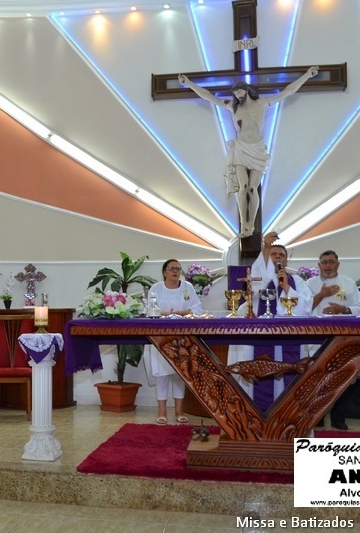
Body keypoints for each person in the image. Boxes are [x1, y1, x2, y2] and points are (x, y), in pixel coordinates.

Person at [178, 67, 319, 237]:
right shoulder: (232, 107)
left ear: (246, 90)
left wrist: (307, 75)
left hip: (257, 149)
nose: (237, 96)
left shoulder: (261, 103)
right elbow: (208, 96)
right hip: (241, 149)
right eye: (235, 93)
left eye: (239, 92)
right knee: (243, 187)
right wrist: (189, 83)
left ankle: (251, 225)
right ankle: (244, 224)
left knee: (252, 188)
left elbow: (287, 91)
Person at [227, 232, 313, 411]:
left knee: (286, 376)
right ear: (267, 258)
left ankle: (286, 411)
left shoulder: (297, 282)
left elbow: (305, 308)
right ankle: (257, 412)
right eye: (273, 254)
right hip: (260, 336)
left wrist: (287, 287)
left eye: (281, 255)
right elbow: (256, 279)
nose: (277, 257)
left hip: (288, 339)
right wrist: (266, 247)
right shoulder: (261, 279)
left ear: (287, 261)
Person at [306, 250, 360, 430]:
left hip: (342, 336)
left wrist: (344, 309)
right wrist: (321, 295)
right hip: (316, 336)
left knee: (342, 376)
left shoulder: (348, 283)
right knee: (317, 377)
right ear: (319, 265)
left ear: (338, 264)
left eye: (331, 262)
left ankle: (338, 416)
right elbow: (303, 308)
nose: (328, 265)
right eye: (324, 262)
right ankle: (316, 417)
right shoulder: (309, 284)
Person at [143, 259, 203, 425]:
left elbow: (197, 309)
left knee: (179, 374)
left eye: (178, 268)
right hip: (160, 336)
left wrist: (181, 313)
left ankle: (179, 410)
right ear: (164, 272)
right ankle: (162, 411)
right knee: (162, 374)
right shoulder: (156, 288)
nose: (175, 271)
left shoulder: (187, 287)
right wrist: (164, 314)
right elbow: (149, 310)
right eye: (171, 268)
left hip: (182, 337)